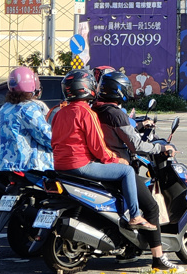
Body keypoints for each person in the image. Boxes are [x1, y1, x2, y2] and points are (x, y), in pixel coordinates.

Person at [50, 69, 155, 230]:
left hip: (59, 166)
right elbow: (98, 147)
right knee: (126, 171)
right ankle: (135, 216)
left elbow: (53, 142)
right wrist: (117, 159)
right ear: (86, 88)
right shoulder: (86, 113)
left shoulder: (59, 113)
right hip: (80, 165)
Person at [93, 71, 178, 271]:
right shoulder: (115, 113)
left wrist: (138, 124)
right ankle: (158, 258)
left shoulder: (94, 110)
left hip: (97, 165)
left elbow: (125, 130)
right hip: (118, 165)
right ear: (118, 91)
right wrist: (161, 148)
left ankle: (128, 250)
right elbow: (137, 145)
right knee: (151, 207)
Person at [0, 67, 53, 172]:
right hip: (28, 168)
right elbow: (46, 136)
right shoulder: (28, 108)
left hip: (5, 166)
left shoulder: (5, 108)